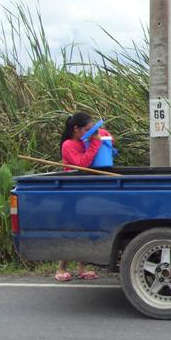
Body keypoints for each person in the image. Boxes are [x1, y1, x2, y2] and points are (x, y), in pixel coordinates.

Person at [55, 112, 114, 282]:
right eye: (88, 130)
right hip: (71, 192)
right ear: (76, 129)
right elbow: (82, 164)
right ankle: (61, 268)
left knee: (85, 228)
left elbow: (103, 145)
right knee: (70, 229)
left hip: (85, 191)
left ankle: (82, 267)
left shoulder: (85, 141)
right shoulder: (69, 145)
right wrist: (95, 143)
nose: (91, 133)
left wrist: (104, 136)